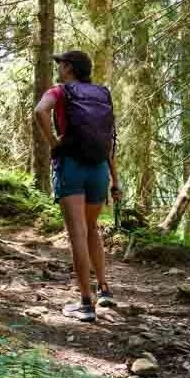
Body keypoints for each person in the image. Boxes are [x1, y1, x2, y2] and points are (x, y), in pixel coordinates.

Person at [34, 50, 121, 322]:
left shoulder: (60, 92)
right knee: (92, 228)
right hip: (98, 168)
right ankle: (103, 288)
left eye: (61, 64)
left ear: (69, 68)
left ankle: (85, 303)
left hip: (71, 165)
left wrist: (54, 143)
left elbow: (39, 111)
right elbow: (108, 139)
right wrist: (115, 179)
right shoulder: (102, 94)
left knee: (77, 234)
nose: (59, 68)